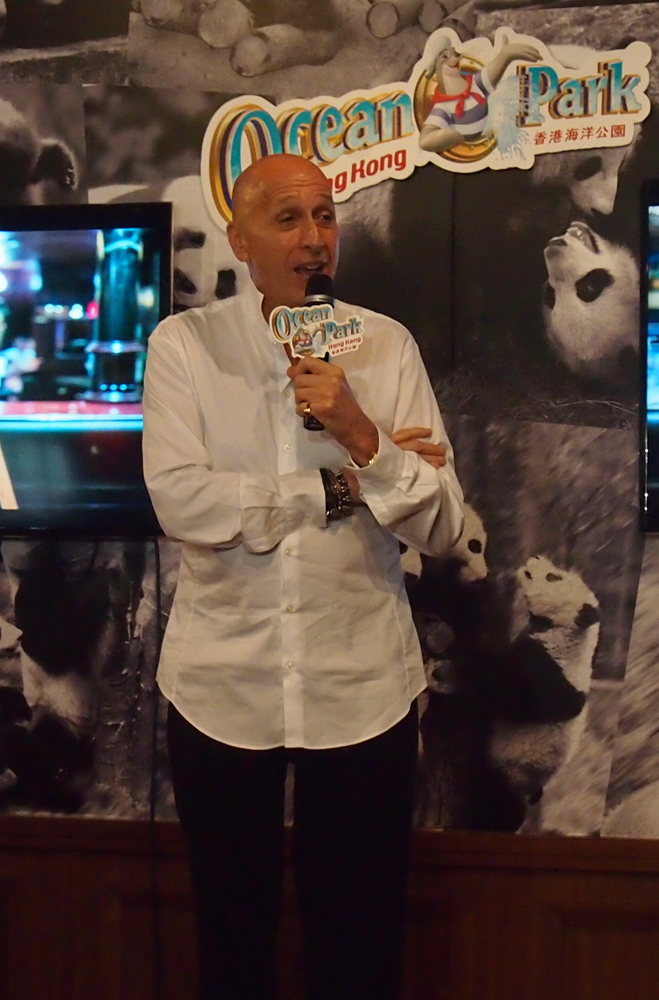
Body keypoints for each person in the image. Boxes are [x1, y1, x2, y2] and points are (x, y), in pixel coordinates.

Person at [142, 152, 465, 1000]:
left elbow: (442, 524)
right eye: (287, 219)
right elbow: (182, 503)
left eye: (324, 216)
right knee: (232, 945)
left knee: (358, 951)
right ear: (240, 238)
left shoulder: (384, 346)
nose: (314, 237)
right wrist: (339, 489)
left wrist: (360, 432)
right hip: (221, 688)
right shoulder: (184, 346)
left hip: (360, 687)